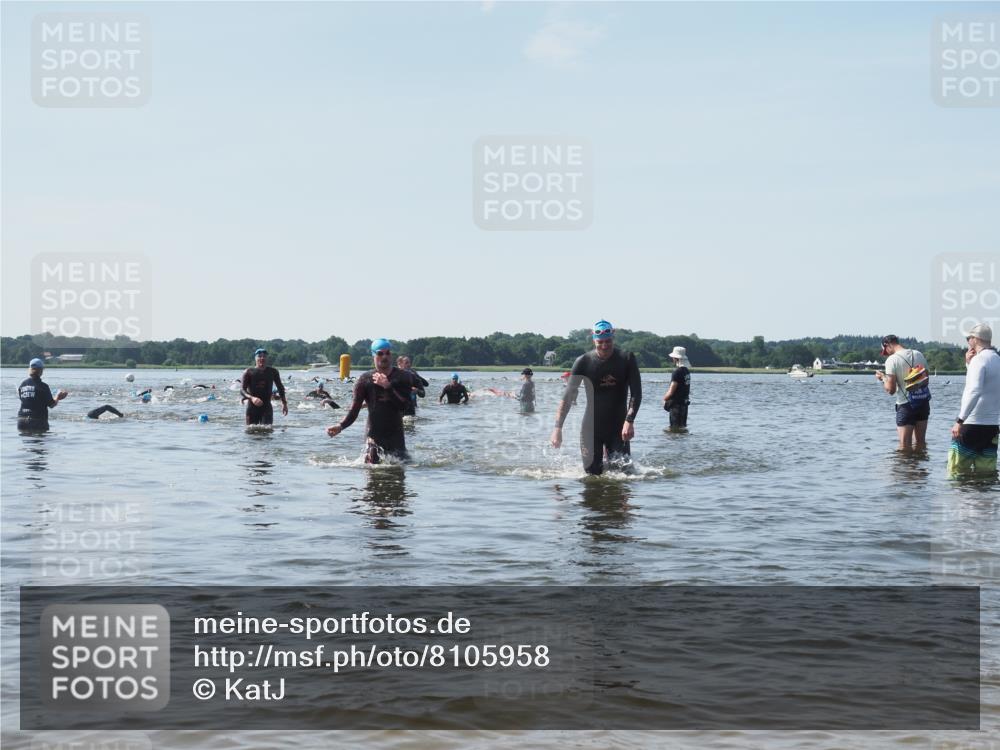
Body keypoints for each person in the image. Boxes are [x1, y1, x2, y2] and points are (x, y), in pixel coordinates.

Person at [550, 320, 642, 475]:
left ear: (613, 337)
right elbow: (567, 396)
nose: (605, 346)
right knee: (592, 476)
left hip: (619, 428)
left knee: (624, 475)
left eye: (608, 341)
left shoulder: (626, 359)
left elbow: (636, 393)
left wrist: (629, 421)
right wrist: (557, 428)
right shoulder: (583, 362)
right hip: (591, 429)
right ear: (593, 339)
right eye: (600, 342)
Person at [326, 338, 414, 463]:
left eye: (388, 353)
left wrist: (388, 387)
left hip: (396, 437)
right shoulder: (364, 380)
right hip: (373, 435)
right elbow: (354, 410)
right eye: (380, 353)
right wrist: (341, 426)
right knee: (372, 468)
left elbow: (405, 407)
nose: (384, 356)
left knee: (398, 476)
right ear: (373, 355)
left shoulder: (403, 377)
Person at [949, 323, 1000, 478]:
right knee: (986, 474)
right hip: (991, 426)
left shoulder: (980, 360)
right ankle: (985, 502)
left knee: (957, 472)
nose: (967, 341)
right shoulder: (997, 359)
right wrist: (968, 365)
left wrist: (960, 420)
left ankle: (962, 502)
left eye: (968, 338)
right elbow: (987, 385)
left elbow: (974, 390)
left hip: (972, 424)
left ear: (976, 339)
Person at [875, 334, 931, 450]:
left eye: (885, 351)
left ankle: (905, 468)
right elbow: (926, 380)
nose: (887, 354)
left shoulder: (892, 360)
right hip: (922, 403)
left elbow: (891, 390)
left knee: (904, 446)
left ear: (887, 345)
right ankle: (921, 467)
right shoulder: (918, 354)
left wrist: (883, 378)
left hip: (906, 405)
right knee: (921, 443)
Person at [17, 358, 67, 431]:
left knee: (27, 441)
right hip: (37, 421)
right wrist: (58, 397)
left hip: (21, 421)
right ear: (40, 370)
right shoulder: (43, 386)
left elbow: (24, 399)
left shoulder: (22, 384)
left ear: (30, 369)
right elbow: (51, 405)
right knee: (40, 441)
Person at [241, 347, 288, 425]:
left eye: (264, 356)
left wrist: (284, 403)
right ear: (255, 358)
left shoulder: (273, 372)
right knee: (251, 433)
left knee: (267, 432)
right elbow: (242, 390)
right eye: (259, 356)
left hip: (266, 408)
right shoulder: (248, 372)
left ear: (267, 358)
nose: (262, 358)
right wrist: (252, 398)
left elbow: (280, 388)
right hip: (252, 408)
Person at [662, 346, 692, 429]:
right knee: (682, 427)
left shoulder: (677, 372)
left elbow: (672, 390)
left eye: (673, 358)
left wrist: (664, 399)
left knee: (674, 428)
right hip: (684, 404)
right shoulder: (686, 371)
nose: (672, 359)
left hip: (676, 405)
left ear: (676, 358)